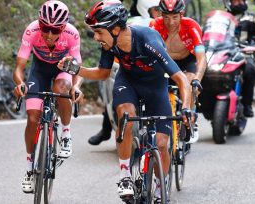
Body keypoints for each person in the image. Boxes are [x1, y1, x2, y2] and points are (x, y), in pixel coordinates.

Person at [58, 0, 192, 201]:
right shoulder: (109, 44)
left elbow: (181, 79)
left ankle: (159, 184)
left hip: (155, 86)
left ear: (115, 29)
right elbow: (103, 73)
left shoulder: (148, 40)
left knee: (162, 144)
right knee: (126, 115)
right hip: (127, 82)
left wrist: (187, 109)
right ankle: (125, 176)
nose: (95, 37)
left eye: (99, 32)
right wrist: (76, 69)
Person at [13, 0, 83, 193]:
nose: (50, 35)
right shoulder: (31, 31)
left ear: (63, 28)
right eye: (46, 28)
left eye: (55, 30)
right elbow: (19, 67)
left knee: (61, 88)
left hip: (64, 69)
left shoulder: (72, 34)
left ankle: (66, 133)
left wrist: (76, 87)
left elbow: (78, 68)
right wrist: (19, 84)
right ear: (39, 23)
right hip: (40, 70)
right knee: (32, 118)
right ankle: (29, 169)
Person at [88, 0, 161, 146]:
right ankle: (106, 128)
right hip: (123, 56)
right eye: (156, 10)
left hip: (153, 66)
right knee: (116, 87)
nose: (160, 13)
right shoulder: (129, 21)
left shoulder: (159, 24)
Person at [149, 0, 207, 143]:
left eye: (175, 17)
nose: (171, 22)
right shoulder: (155, 25)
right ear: (161, 15)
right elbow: (149, 54)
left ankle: (191, 119)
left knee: (191, 82)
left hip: (187, 60)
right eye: (166, 17)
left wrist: (197, 79)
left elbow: (201, 57)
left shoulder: (191, 25)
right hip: (165, 62)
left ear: (182, 14)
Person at [223, 0, 255, 117]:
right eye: (235, 1)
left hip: (243, 52)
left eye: (240, 0)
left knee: (250, 69)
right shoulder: (221, 17)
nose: (238, 3)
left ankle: (247, 105)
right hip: (223, 52)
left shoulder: (250, 17)